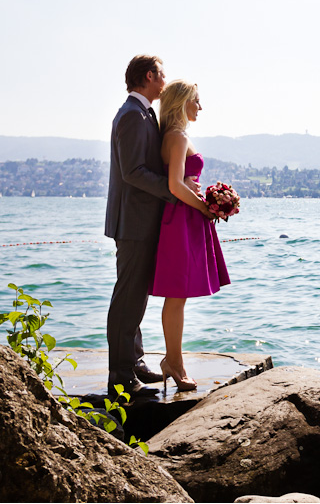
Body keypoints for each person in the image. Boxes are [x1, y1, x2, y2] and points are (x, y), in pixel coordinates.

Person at [105, 55, 180, 399]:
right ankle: (120, 376)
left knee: (136, 296)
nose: (165, 80)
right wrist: (172, 191)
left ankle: (133, 361)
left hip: (141, 220)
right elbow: (132, 172)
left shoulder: (143, 113)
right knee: (128, 298)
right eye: (162, 74)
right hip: (133, 221)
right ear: (149, 76)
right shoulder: (133, 116)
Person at [152, 80, 230, 391]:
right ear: (183, 103)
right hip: (182, 218)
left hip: (181, 216)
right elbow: (174, 185)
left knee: (178, 296)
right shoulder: (178, 137)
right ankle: (174, 362)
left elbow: (181, 179)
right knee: (177, 296)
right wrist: (205, 208)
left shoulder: (172, 136)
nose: (200, 107)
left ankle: (173, 360)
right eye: (196, 101)